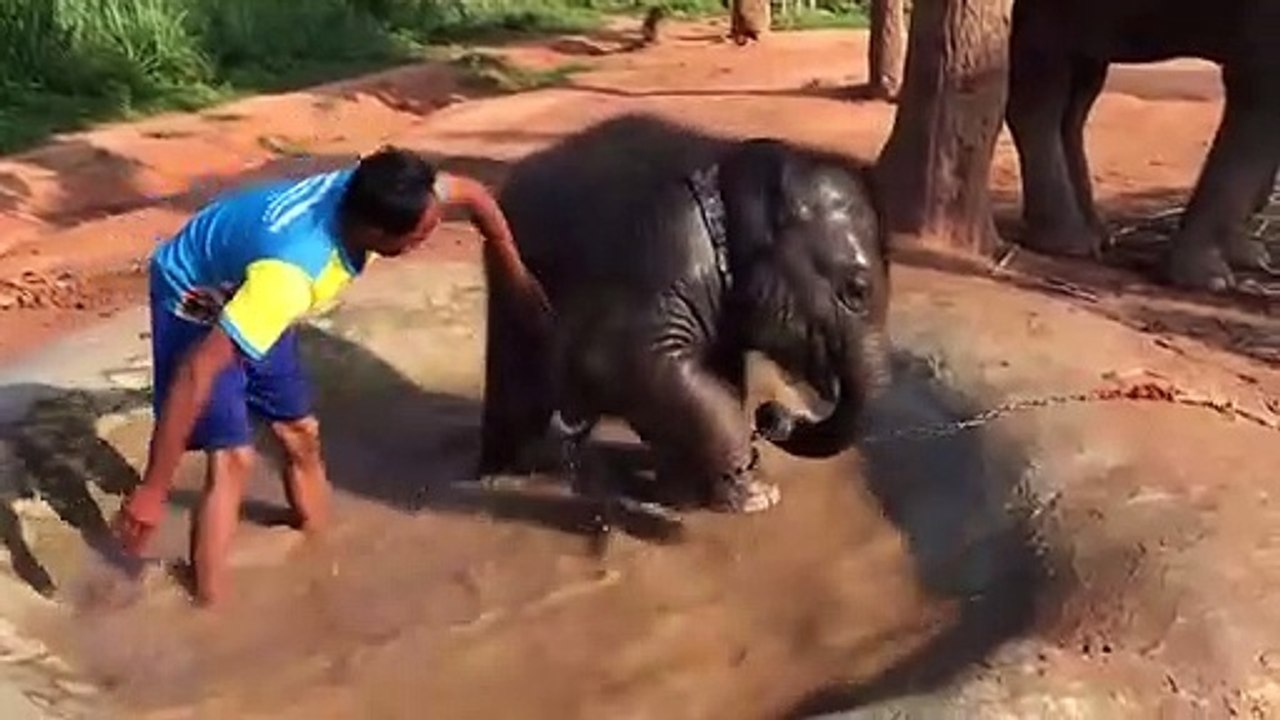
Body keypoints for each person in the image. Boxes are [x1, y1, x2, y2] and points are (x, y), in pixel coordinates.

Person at [110, 146, 550, 607]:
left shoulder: (392, 190)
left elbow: (475, 196)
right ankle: (210, 607)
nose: (429, 235)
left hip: (249, 276)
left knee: (301, 432)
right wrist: (153, 490)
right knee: (233, 458)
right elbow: (196, 373)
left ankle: (320, 550)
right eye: (420, 237)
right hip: (196, 289)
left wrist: (511, 270)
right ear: (375, 232)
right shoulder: (292, 274)